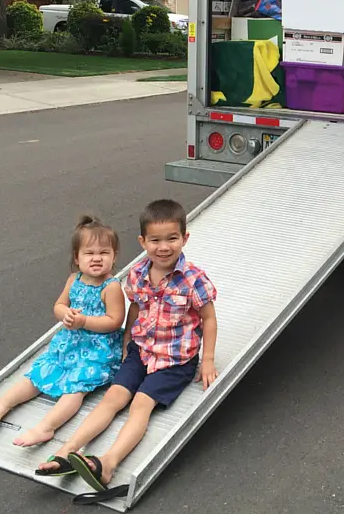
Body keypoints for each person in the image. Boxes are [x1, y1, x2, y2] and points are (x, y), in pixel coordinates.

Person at [37, 198, 218, 491]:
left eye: (172, 238)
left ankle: (108, 463)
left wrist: (207, 359)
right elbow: (135, 308)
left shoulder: (193, 279)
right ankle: (67, 451)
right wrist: (126, 340)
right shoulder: (137, 274)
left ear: (184, 238)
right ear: (142, 241)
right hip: (141, 351)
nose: (164, 247)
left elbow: (209, 318)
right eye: (155, 240)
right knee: (113, 399)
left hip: (174, 361)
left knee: (140, 404)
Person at [0, 215, 124, 450]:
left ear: (114, 256)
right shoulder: (73, 279)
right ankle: (1, 407)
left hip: (97, 349)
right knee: (38, 374)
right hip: (69, 342)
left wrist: (84, 321)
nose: (97, 258)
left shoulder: (112, 287)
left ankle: (46, 427)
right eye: (89, 253)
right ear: (77, 258)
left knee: (77, 388)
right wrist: (65, 314)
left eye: (104, 253)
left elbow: (115, 321)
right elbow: (58, 306)